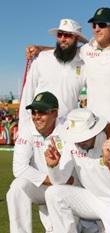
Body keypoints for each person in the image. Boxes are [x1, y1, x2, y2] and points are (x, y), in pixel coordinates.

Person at [7, 91, 73, 233]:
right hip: (43, 185)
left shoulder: (67, 129)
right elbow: (19, 169)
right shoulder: (27, 129)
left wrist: (60, 181)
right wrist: (52, 180)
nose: (36, 117)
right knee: (17, 187)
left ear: (55, 113)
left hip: (67, 187)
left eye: (42, 112)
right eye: (34, 112)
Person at [44, 108, 110, 233]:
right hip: (91, 199)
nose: (80, 142)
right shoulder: (72, 143)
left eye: (84, 137)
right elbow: (59, 181)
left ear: (94, 132)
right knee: (53, 193)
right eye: (77, 138)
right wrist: (53, 166)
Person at [19, 19, 87, 128]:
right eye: (60, 35)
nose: (62, 39)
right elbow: (27, 95)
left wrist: (41, 47)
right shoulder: (42, 59)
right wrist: (23, 128)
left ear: (77, 38)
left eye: (68, 35)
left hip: (66, 129)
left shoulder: (83, 65)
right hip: (38, 127)